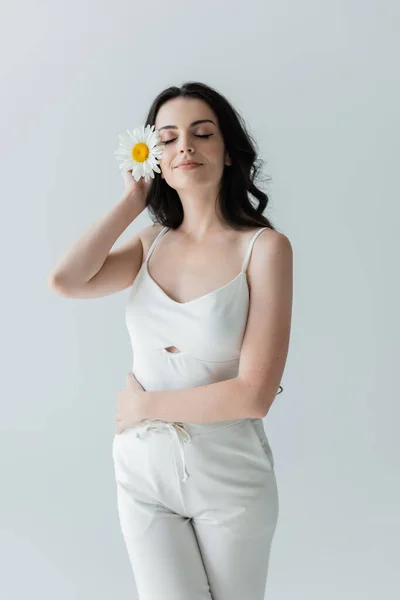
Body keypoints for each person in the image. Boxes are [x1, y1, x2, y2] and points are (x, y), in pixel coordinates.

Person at [48, 81, 293, 600]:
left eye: (202, 133)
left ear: (228, 153)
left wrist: (146, 407)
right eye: (167, 138)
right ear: (154, 156)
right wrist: (131, 200)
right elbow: (67, 280)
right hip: (142, 471)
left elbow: (255, 395)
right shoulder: (150, 241)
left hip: (230, 476)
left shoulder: (265, 249)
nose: (185, 146)